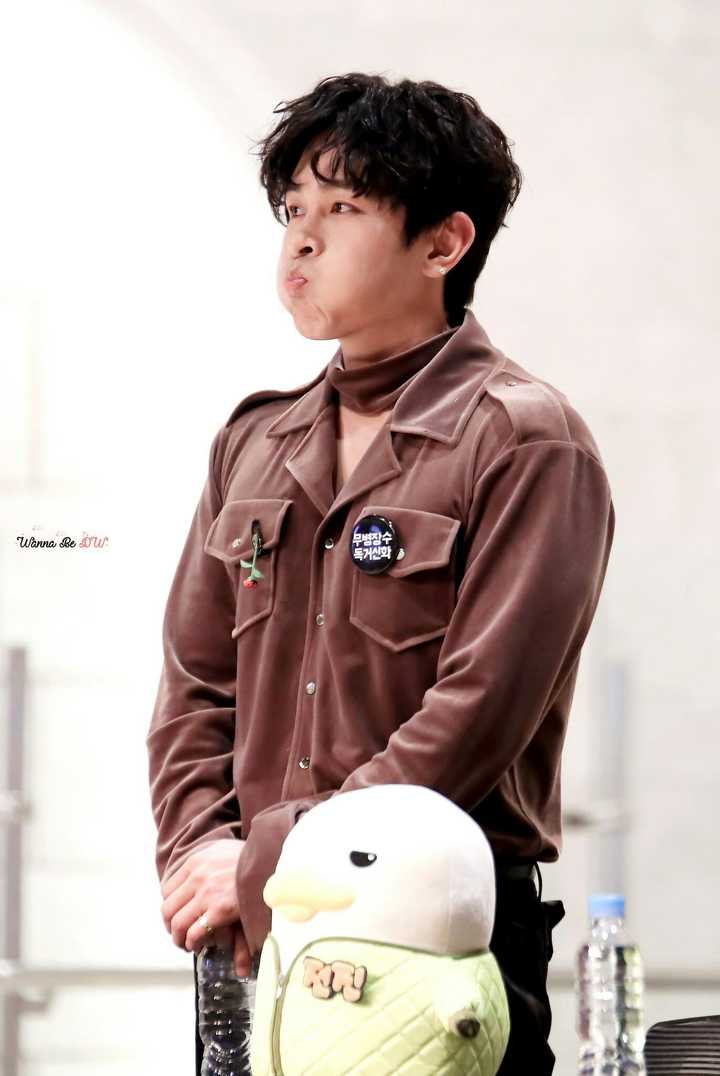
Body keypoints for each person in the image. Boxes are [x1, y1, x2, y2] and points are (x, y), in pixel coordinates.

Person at [146, 72, 615, 1075]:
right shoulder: (253, 441)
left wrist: (270, 860)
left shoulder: (527, 442)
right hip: (254, 940)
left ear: (444, 243)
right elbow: (194, 687)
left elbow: (476, 712)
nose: (302, 241)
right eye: (293, 210)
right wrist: (202, 861)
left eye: (343, 209)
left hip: (432, 940)